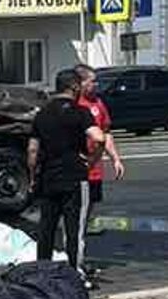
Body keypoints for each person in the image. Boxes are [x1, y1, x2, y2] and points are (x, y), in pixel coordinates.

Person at [28, 69, 107, 271]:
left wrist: (32, 177)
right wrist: (92, 160)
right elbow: (99, 137)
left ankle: (43, 271)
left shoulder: (42, 114)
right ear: (74, 87)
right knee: (75, 230)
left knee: (46, 228)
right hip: (75, 178)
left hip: (49, 178)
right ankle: (75, 272)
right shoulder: (80, 112)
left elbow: (32, 151)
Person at [73, 65, 125, 260]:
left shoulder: (98, 104)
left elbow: (106, 133)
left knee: (87, 212)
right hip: (77, 169)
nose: (95, 84)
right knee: (76, 213)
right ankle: (75, 257)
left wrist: (115, 159)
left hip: (94, 170)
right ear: (81, 83)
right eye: (91, 81)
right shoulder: (75, 104)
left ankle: (80, 253)